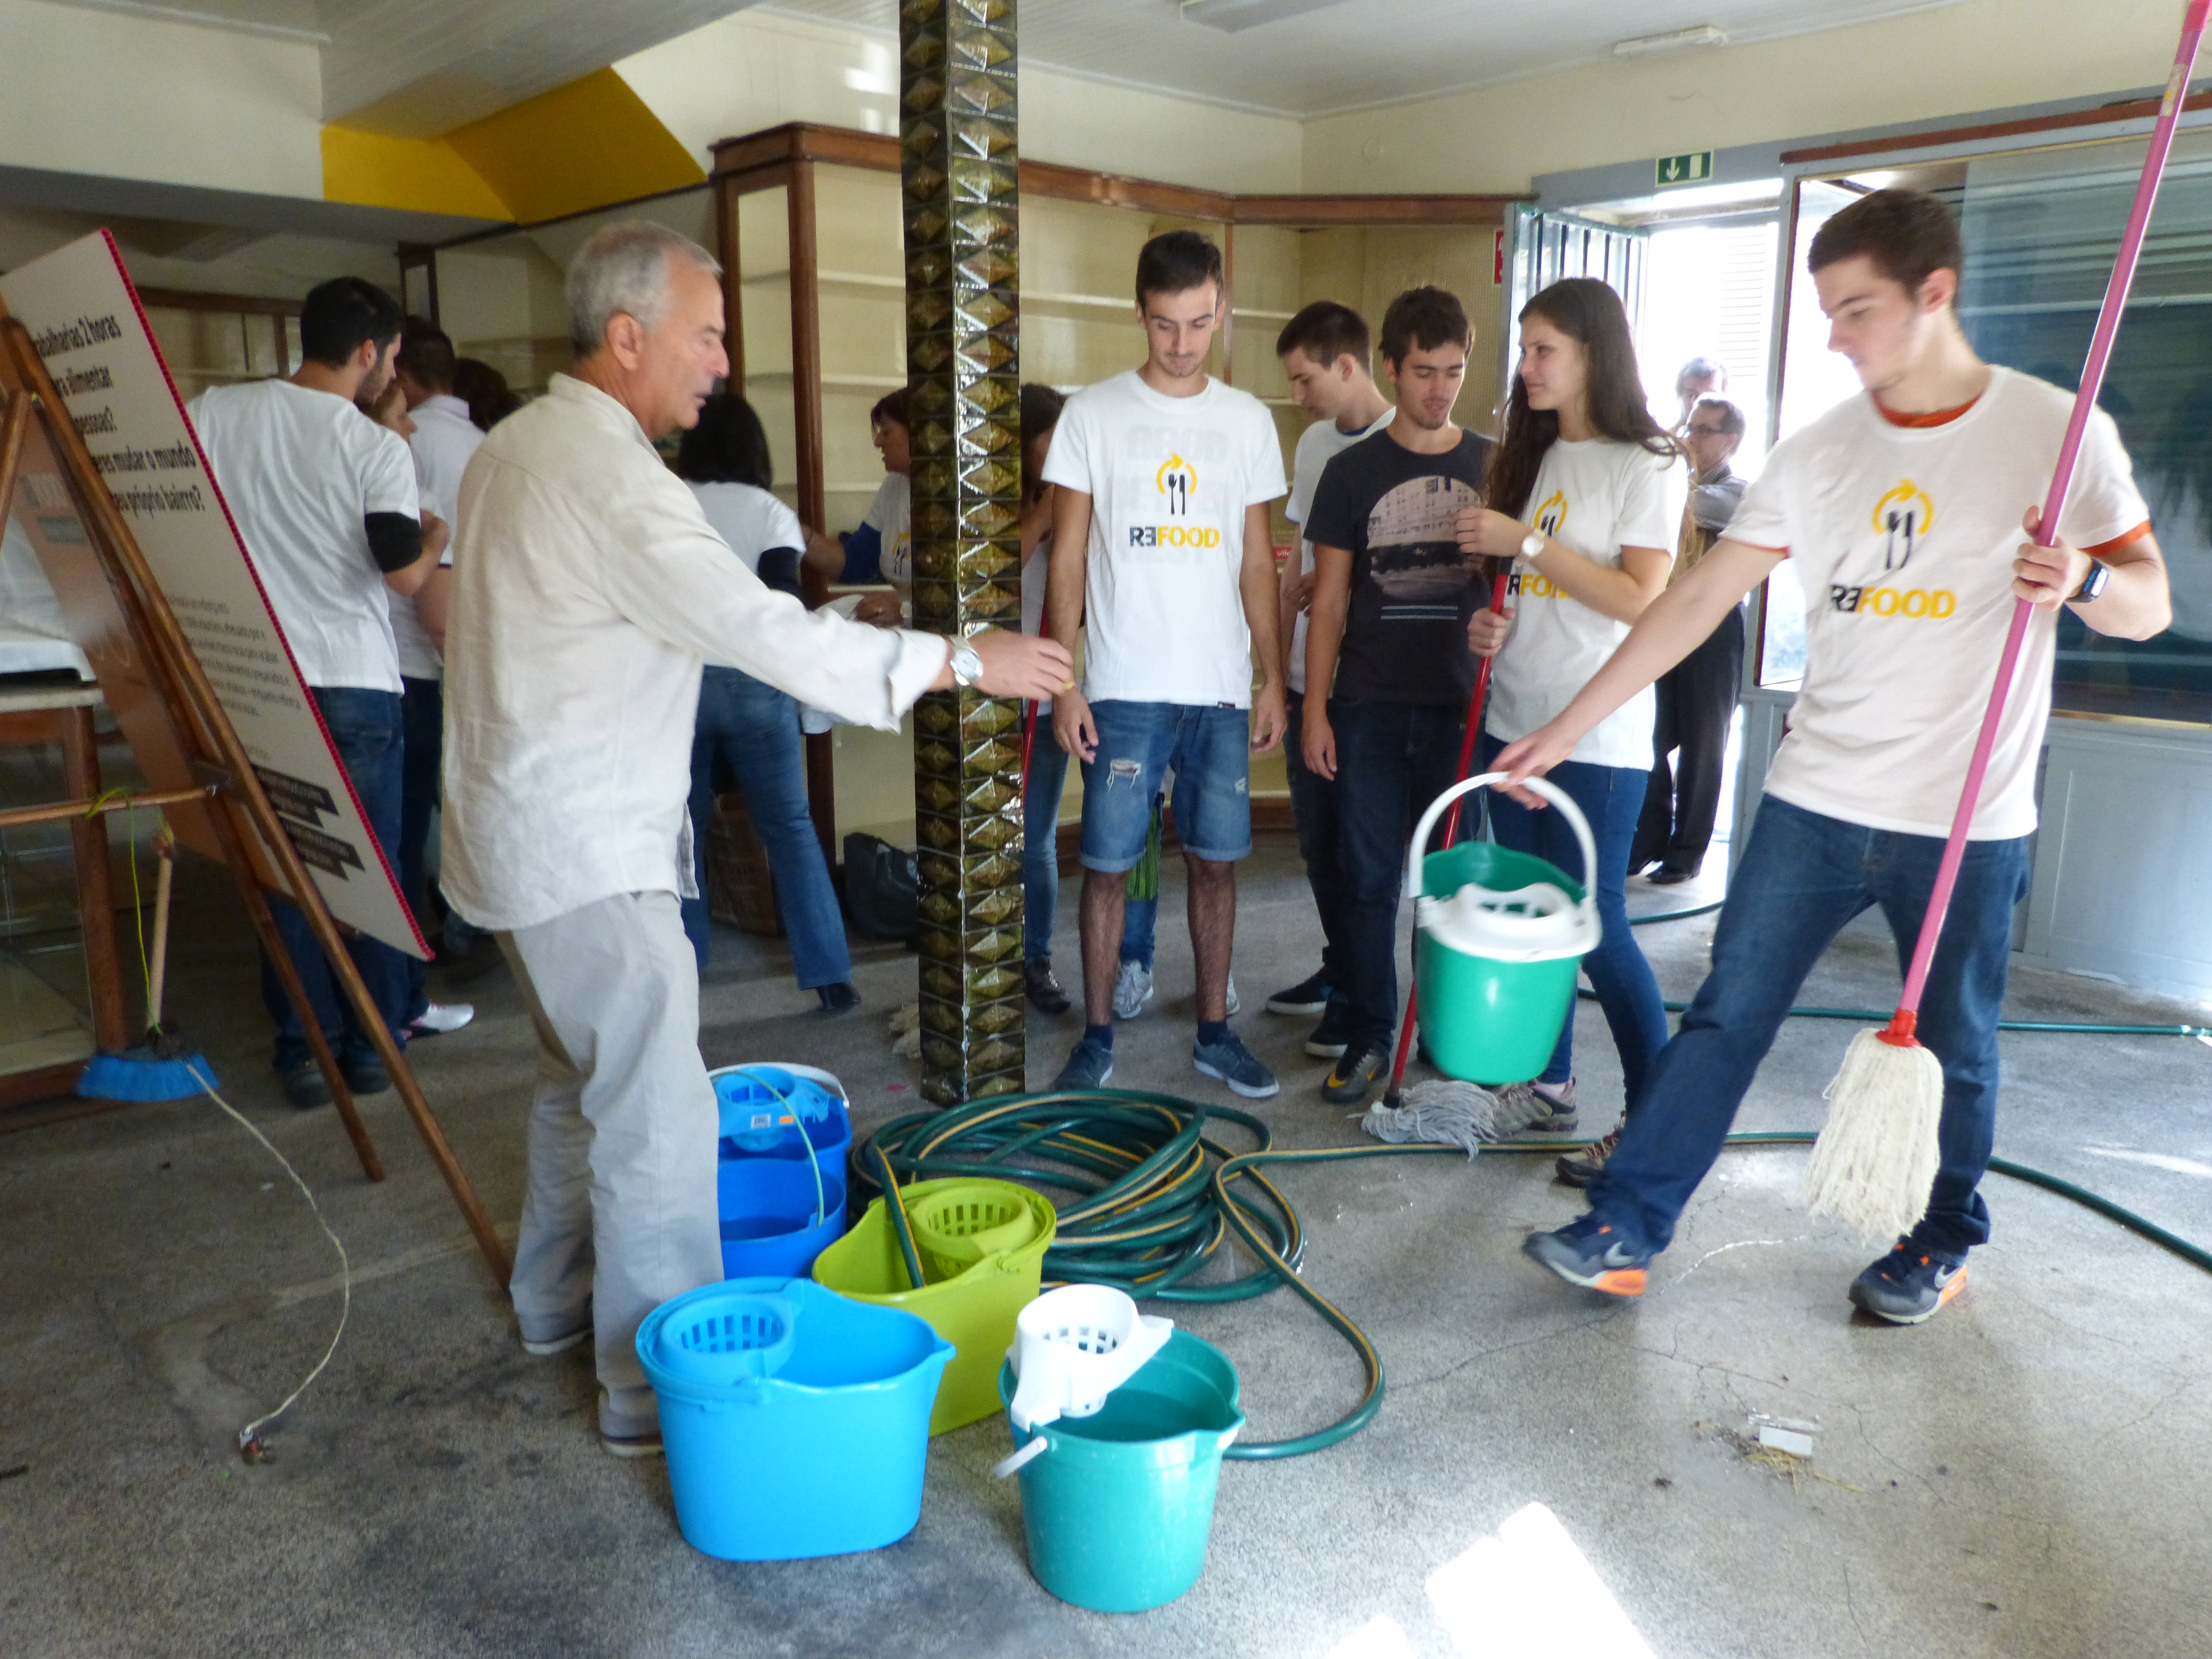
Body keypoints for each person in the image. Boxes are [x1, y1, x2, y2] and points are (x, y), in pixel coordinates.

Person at [439, 222, 1068, 1454]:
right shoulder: (614, 479)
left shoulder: (516, 443)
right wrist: (959, 659)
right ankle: (654, 1394)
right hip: (586, 853)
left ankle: (547, 1305)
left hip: (512, 838)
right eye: (708, 333)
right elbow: (760, 626)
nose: (722, 362)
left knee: (577, 1085)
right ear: (628, 337)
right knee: (656, 1119)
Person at [1510, 189, 2168, 1320]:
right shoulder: (1818, 453)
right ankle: (1627, 1220)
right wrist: (1566, 727)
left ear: (1934, 295)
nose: (1833, 337)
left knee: (1954, 1045)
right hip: (1814, 797)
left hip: (1965, 814)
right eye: (1825, 311)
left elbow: (2150, 604)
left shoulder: (2056, 433)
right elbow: (1696, 600)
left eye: (1855, 310)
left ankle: (1944, 1232)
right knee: (1725, 1012)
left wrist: (2087, 581)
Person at [189, 277, 446, 1109]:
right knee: (365, 870)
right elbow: (404, 573)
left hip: (256, 680)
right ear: (368, 352)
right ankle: (372, 1045)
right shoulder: (373, 447)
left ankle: (303, 1048)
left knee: (284, 873)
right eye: (393, 357)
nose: (392, 373)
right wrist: (438, 528)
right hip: (354, 684)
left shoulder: (217, 414)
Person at [1044, 229, 1288, 1098]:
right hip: (1122, 686)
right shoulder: (1091, 416)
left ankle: (1215, 1032)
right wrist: (1064, 678)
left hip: (1217, 691)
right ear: (1137, 315)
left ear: (1220, 309)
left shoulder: (1246, 422)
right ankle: (1097, 1034)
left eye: (1196, 323)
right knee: (1107, 865)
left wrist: (1270, 675)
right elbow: (1067, 557)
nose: (1182, 344)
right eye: (1163, 326)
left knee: (1217, 860)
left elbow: (1257, 562)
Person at [1456, 277, 1684, 1178]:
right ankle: (1546, 1083)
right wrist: (1493, 621)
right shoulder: (1542, 453)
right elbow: (1532, 589)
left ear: (1595, 353)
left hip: (1597, 736)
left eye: (1543, 348)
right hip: (1513, 717)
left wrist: (1527, 546)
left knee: (1596, 924)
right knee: (1530, 916)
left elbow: (1640, 602)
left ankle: (1657, 1117)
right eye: (1524, 348)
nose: (1527, 367)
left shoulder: (1650, 463)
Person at [1300, 287, 1493, 1105]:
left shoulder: (1494, 464)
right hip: (1369, 708)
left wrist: (1501, 629)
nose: (1438, 389)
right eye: (1422, 372)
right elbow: (1332, 600)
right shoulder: (1351, 473)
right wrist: (1313, 706)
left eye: (1452, 372)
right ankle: (1374, 1034)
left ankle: (1445, 1036)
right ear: (1388, 366)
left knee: (1453, 886)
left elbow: (1517, 587)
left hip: (1461, 710)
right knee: (1369, 878)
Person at [674, 392, 859, 1012]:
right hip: (756, 682)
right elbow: (783, 600)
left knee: (684, 831)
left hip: (682, 682)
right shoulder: (770, 512)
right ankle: (831, 974)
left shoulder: (671, 505)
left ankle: (686, 968)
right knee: (789, 828)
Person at [1269, 300, 1395, 1059]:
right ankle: (1339, 964)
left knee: (1359, 853)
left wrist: (1345, 585)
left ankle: (1360, 996)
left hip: (1361, 686)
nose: (1299, 395)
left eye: (1306, 378)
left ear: (1347, 366)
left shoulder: (1400, 445)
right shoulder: (1316, 443)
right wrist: (1272, 669)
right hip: (1302, 673)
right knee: (1317, 845)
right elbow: (1296, 560)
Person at [384, 316, 482, 1027]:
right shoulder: (487, 447)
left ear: (406, 377)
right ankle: (419, 967)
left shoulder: (405, 446)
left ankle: (403, 981)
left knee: (403, 823)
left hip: (413, 660)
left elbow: (429, 588)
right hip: (466, 655)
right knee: (447, 809)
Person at [1631, 395, 1750, 885]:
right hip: (1666, 619)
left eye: (1704, 431)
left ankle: (1687, 854)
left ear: (1730, 441)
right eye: (1691, 427)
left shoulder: (1739, 491)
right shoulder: (1674, 481)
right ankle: (1646, 841)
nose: (1691, 437)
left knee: (1704, 744)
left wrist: (1654, 488)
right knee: (1650, 737)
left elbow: (1691, 509)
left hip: (1715, 626)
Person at [1018, 382, 1074, 1013]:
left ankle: (1037, 958)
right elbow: (994, 577)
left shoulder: (1075, 502)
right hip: (985, 688)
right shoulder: (990, 504)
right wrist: (1042, 514)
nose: (1061, 456)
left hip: (1043, 685)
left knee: (1035, 838)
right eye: (1048, 446)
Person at [806, 389, 911, 627]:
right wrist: (797, 534)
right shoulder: (894, 486)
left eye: (887, 432)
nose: (877, 442)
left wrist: (906, 611)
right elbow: (856, 563)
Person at [1673, 356, 1727, 431]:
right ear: (1679, 395)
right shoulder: (1662, 441)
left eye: (1711, 398)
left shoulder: (1731, 441)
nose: (1701, 405)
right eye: (1692, 396)